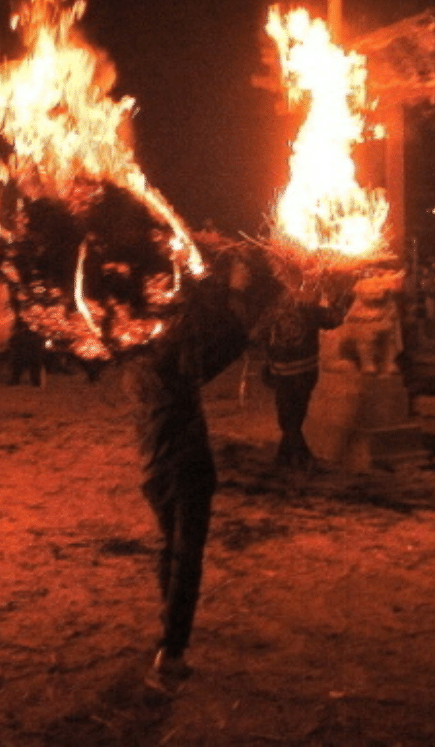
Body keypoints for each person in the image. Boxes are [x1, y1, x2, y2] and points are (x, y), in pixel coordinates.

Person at [129, 254, 272, 694]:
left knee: (171, 549)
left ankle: (167, 631)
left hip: (154, 467)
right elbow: (223, 344)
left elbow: (206, 348)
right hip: (186, 464)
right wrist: (234, 292)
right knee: (186, 557)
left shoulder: (136, 365)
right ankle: (170, 653)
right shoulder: (173, 368)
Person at [259, 267, 352, 469]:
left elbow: (333, 320)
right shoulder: (278, 308)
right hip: (289, 370)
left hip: (300, 369)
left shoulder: (305, 307)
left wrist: (340, 299)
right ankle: (299, 456)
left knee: (292, 415)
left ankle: (289, 457)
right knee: (290, 416)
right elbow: (262, 334)